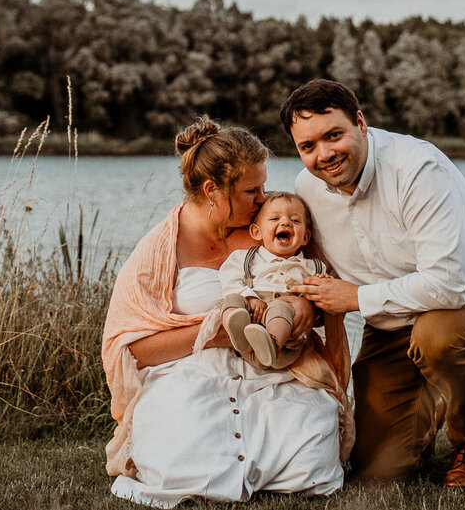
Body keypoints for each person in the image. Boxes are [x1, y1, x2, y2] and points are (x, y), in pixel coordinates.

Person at [282, 79, 465, 489]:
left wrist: (356, 298)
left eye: (333, 135)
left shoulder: (417, 168)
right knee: (377, 473)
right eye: (308, 147)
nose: (323, 154)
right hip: (393, 316)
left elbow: (449, 285)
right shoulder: (306, 189)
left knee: (439, 338)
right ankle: (421, 414)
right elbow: (315, 268)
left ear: (360, 123)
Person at [102, 118, 354, 508]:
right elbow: (130, 351)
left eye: (264, 186)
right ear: (212, 191)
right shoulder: (158, 249)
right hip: (189, 373)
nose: (263, 198)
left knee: (311, 452)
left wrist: (304, 305)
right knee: (181, 457)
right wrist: (213, 332)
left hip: (273, 368)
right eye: (252, 190)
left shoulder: (266, 230)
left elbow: (319, 286)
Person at [219, 192, 329, 370]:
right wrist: (250, 298)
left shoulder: (312, 267)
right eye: (275, 218)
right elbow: (229, 280)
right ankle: (237, 331)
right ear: (257, 232)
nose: (285, 222)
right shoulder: (245, 258)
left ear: (305, 237)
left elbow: (322, 304)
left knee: (281, 306)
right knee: (232, 299)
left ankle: (270, 341)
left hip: (282, 349)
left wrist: (321, 286)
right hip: (246, 333)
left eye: (295, 220)